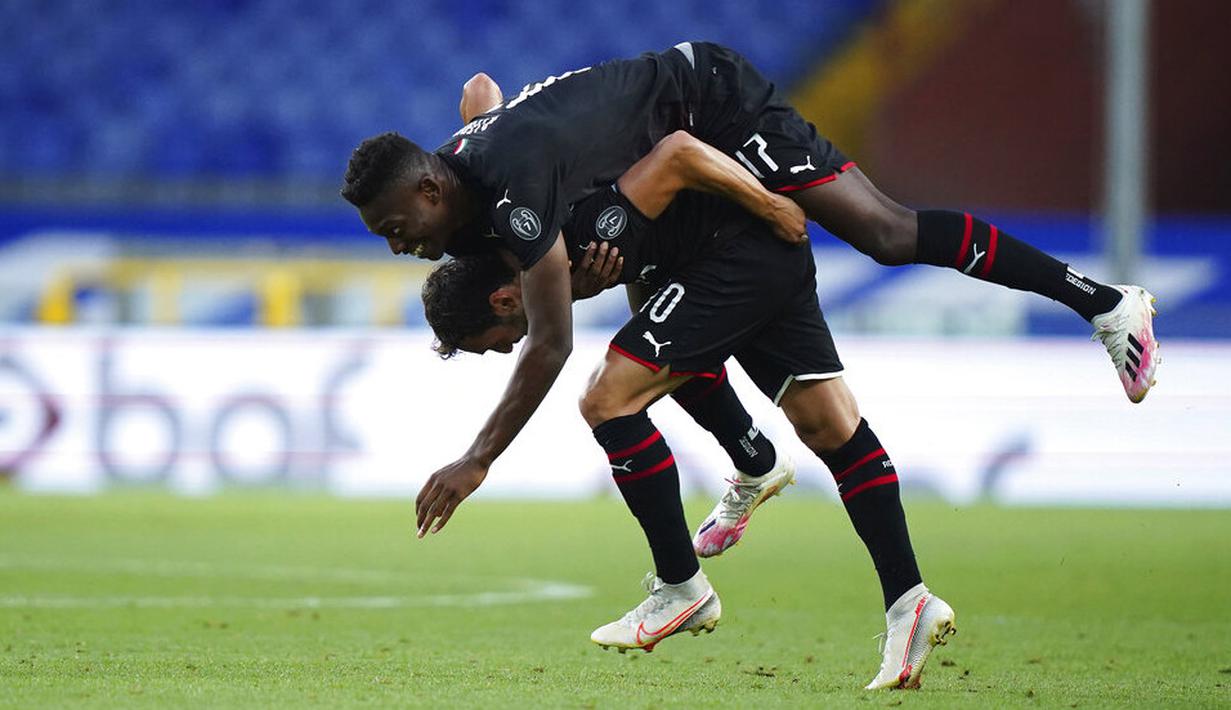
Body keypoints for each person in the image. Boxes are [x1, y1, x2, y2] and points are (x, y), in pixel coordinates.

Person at [421, 123, 955, 688]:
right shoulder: (515, 202)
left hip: (728, 252)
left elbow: (662, 150)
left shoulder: (523, 210)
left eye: (500, 341)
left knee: (608, 396)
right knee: (831, 427)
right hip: (751, 249)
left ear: (503, 299)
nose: (511, 349)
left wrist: (478, 458)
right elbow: (480, 95)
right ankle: (909, 602)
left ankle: (682, 585)